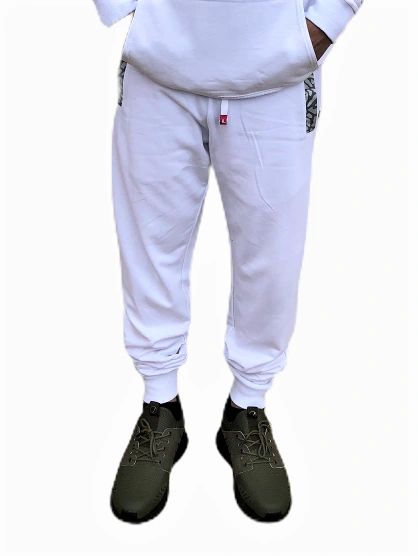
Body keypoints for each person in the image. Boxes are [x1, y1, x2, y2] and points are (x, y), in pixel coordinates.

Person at [92, 0, 363, 523]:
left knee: (272, 258)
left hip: (277, 73)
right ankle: (160, 406)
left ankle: (247, 408)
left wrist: (325, 21)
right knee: (149, 242)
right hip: (158, 68)